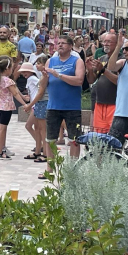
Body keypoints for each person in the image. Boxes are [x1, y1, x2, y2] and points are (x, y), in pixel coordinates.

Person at [40, 36, 86, 178]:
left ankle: (72, 169)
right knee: (50, 138)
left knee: (74, 139)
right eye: (58, 43)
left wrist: (59, 75)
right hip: (53, 106)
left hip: (72, 107)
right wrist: (44, 77)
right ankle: (50, 168)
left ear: (71, 46)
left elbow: (79, 80)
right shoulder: (50, 61)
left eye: (63, 43)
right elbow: (43, 85)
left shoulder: (77, 61)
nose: (59, 45)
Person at [86, 32, 119, 134]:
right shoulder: (103, 58)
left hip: (114, 103)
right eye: (104, 41)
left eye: (109, 41)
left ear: (117, 44)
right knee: (99, 135)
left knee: (113, 135)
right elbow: (91, 80)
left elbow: (119, 81)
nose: (105, 44)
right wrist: (90, 70)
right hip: (100, 102)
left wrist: (103, 69)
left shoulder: (121, 59)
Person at [23, 56, 50, 163]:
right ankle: (38, 151)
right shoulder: (42, 76)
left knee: (43, 130)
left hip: (43, 102)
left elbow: (40, 93)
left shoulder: (45, 76)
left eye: (39, 63)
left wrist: (30, 105)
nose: (37, 65)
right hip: (40, 103)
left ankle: (46, 154)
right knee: (38, 128)